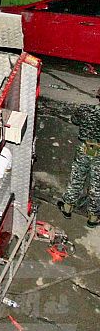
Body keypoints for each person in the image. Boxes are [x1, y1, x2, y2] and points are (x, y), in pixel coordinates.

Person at [58, 87, 100, 228]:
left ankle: (67, 208)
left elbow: (75, 120)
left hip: (84, 148)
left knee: (76, 178)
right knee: (97, 185)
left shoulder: (85, 109)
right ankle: (93, 218)